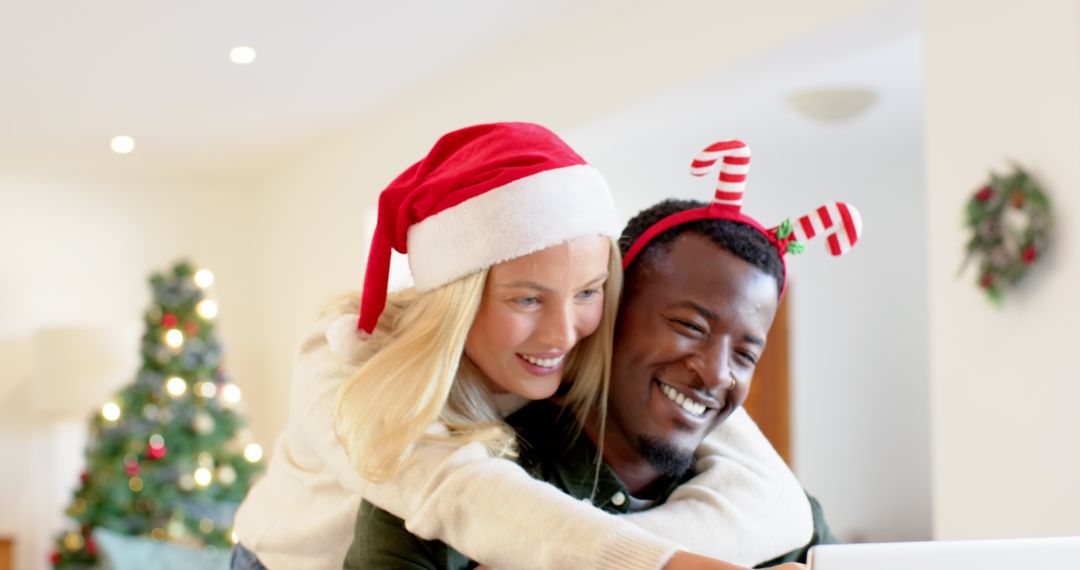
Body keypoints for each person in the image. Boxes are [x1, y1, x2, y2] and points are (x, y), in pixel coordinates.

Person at [233, 126, 814, 570]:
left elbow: (774, 501)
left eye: (588, 292)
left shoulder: (583, 340)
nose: (564, 334)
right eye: (526, 300)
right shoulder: (344, 361)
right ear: (459, 299)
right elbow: (460, 493)